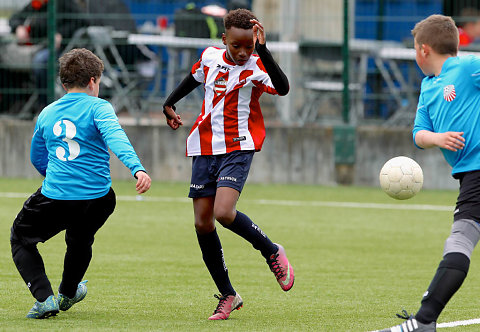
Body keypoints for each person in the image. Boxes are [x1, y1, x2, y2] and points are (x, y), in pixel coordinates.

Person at [162, 8, 294, 320]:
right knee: (202, 222)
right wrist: (169, 103)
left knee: (223, 212)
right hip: (205, 148)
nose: (243, 52)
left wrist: (263, 50)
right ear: (224, 40)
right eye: (237, 46)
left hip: (239, 146)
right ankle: (228, 294)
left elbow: (283, 87)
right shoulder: (209, 57)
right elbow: (193, 78)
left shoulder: (257, 66)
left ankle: (271, 251)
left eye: (249, 46)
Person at [10, 48, 151, 319]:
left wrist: (55, 175)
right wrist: (137, 168)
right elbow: (115, 137)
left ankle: (44, 298)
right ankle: (68, 291)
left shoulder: (47, 113)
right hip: (99, 199)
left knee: (20, 238)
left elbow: (37, 157)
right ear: (93, 81)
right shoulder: (100, 107)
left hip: (57, 197)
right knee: (80, 239)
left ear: (64, 85)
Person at [375, 14, 480, 332]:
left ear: (423, 50)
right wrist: (438, 138)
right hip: (468, 174)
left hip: (478, 171)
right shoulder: (428, 86)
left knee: (460, 240)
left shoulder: (465, 68)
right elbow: (419, 134)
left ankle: (423, 320)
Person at [8, 0, 89, 111]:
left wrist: (61, 34)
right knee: (8, 59)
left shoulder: (64, 3)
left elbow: (83, 21)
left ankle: (45, 106)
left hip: (59, 49)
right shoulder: (36, 4)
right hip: (35, 47)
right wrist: (18, 27)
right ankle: (15, 103)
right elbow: (15, 18)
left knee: (40, 62)